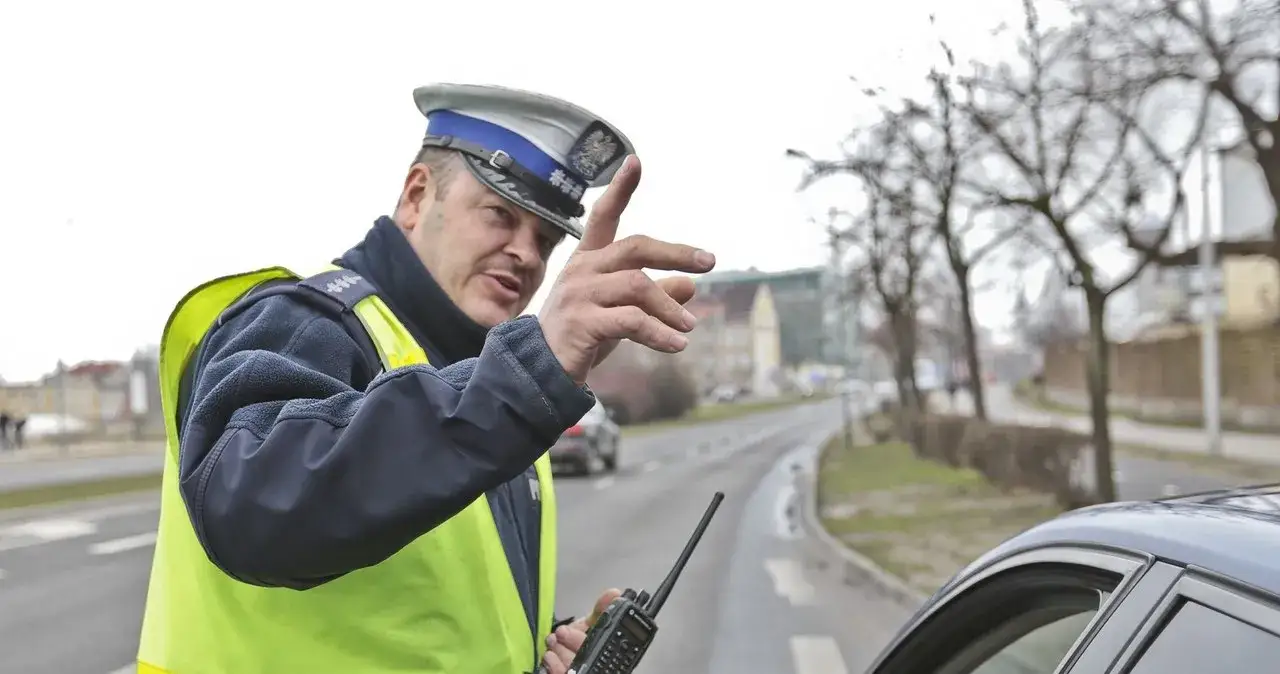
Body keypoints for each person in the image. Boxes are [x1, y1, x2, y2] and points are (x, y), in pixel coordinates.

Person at [134, 83, 715, 674]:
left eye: (544, 239)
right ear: (416, 197)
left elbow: (441, 619)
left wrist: (542, 654)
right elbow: (252, 510)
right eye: (499, 214)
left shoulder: (495, 386)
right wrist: (528, 373)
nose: (526, 254)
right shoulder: (309, 323)